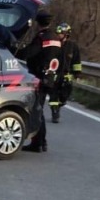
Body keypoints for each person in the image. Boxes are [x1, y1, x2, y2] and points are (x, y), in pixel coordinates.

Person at [20, 11, 64, 152]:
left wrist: (15, 50)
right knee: (39, 108)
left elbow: (29, 53)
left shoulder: (41, 38)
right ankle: (41, 142)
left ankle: (38, 143)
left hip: (38, 77)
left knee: (36, 110)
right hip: (51, 78)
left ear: (38, 23)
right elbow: (61, 60)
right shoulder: (57, 39)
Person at [49, 22, 83, 122]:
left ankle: (60, 104)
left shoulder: (73, 46)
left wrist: (77, 73)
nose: (58, 35)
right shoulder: (54, 45)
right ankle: (55, 113)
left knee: (64, 96)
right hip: (54, 75)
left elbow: (76, 60)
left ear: (66, 34)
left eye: (60, 33)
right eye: (57, 33)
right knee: (53, 95)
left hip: (66, 76)